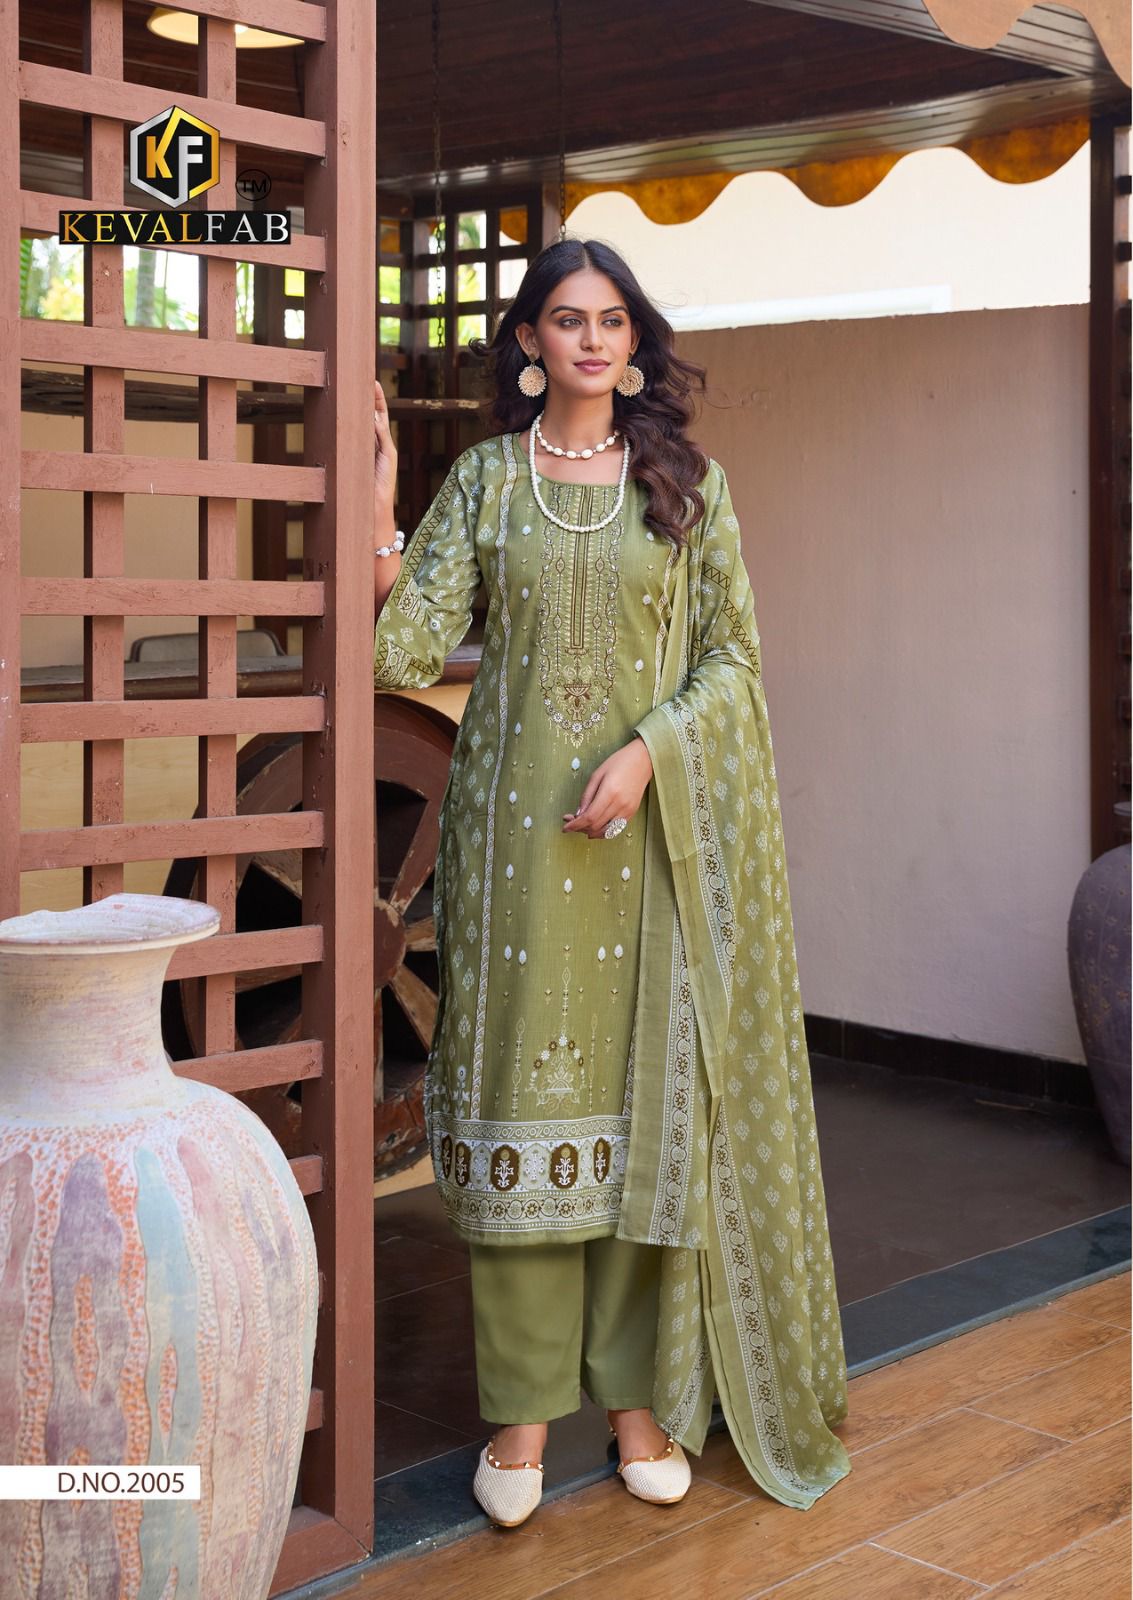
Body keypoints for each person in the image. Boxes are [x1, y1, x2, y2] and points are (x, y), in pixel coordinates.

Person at [372, 236, 851, 1529]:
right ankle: (521, 1416)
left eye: (612, 320)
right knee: (518, 1119)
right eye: (566, 319)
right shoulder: (483, 480)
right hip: (512, 848)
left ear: (634, 343)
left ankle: (636, 1406)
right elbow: (404, 649)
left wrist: (649, 753)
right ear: (530, 342)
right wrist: (378, 507)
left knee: (644, 1118)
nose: (590, 339)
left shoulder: (685, 486)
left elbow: (733, 661)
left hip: (646, 851)